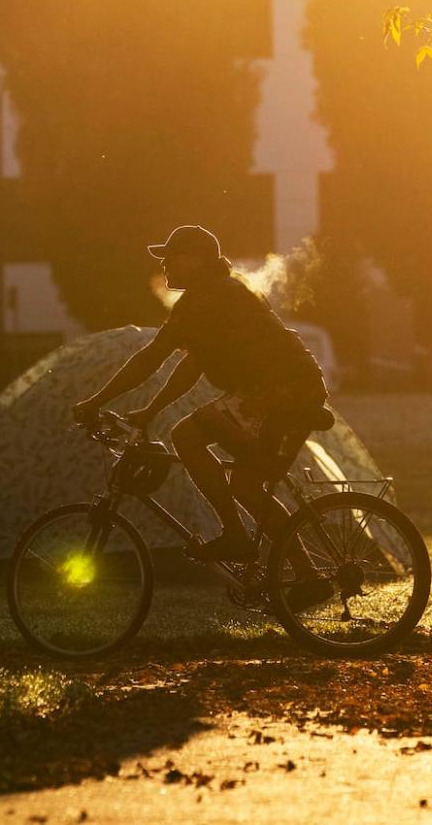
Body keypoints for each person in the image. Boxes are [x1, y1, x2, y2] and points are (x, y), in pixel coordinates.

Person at [71, 225, 332, 606]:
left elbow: (151, 357)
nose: (164, 266)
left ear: (194, 261)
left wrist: (96, 401)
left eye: (170, 257)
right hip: (289, 389)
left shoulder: (205, 299)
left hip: (280, 392)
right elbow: (192, 364)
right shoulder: (220, 293)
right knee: (245, 486)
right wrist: (150, 410)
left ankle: (235, 536)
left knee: (186, 436)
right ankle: (310, 578)